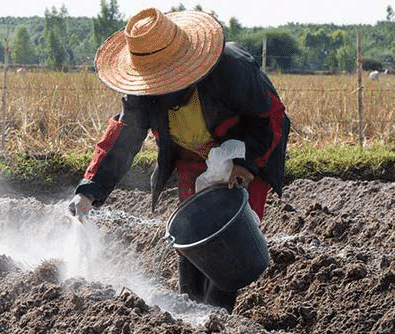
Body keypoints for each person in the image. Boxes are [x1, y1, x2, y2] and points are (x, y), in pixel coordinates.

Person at [67, 8, 290, 313]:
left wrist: (246, 162)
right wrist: (89, 190)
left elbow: (269, 118)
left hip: (243, 152)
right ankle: (189, 317)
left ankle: (217, 320)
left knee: (228, 244)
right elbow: (124, 136)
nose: (161, 87)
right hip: (193, 159)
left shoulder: (231, 70)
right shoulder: (142, 92)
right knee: (191, 240)